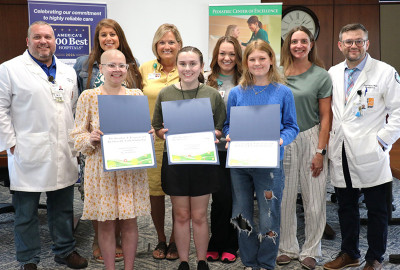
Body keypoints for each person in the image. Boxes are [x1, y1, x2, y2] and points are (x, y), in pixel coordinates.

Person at [0, 21, 88, 270]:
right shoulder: (9, 70)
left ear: (54, 40)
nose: (43, 41)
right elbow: (0, 109)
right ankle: (28, 258)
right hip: (28, 151)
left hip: (63, 150)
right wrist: (11, 143)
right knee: (26, 213)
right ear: (27, 41)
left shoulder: (68, 71)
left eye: (48, 37)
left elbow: (72, 109)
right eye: (37, 37)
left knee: (62, 207)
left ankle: (64, 250)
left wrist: (75, 143)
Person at [323, 23, 400, 270]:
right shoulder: (333, 72)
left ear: (367, 44)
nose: (353, 46)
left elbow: (398, 111)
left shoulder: (385, 72)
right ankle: (350, 253)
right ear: (340, 45)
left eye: (359, 41)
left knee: (378, 209)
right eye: (348, 41)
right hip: (341, 149)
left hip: (370, 149)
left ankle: (374, 257)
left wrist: (382, 140)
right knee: (346, 206)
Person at [70, 49, 151, 270]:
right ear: (102, 69)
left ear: (127, 68)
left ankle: (129, 267)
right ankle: (109, 267)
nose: (117, 70)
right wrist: (91, 137)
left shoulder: (136, 96)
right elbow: (77, 137)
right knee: (105, 223)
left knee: (129, 221)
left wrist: (148, 133)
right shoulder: (89, 97)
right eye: (111, 65)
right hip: (101, 170)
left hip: (130, 170)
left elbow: (144, 129)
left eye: (121, 65)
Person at [223, 40, 299, 270]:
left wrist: (280, 140)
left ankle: (266, 263)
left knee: (269, 215)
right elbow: (228, 125)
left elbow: (291, 126)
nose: (257, 63)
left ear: (271, 60)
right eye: (252, 59)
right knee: (241, 214)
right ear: (246, 62)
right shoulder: (237, 92)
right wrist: (228, 135)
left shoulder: (283, 92)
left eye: (262, 58)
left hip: (269, 164)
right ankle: (249, 261)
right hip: (240, 164)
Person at [152, 46, 226, 270]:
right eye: (182, 64)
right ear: (176, 66)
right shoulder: (166, 93)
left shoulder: (212, 94)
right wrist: (161, 133)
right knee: (182, 215)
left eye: (193, 64)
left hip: (202, 161)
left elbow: (220, 127)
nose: (187, 68)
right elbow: (157, 126)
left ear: (201, 66)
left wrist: (215, 134)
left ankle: (201, 261)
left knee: (200, 215)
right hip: (176, 161)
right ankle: (184, 261)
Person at [276, 26, 332, 270]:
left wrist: (320, 152)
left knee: (315, 198)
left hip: (311, 136)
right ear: (288, 44)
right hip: (284, 138)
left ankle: (311, 249)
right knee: (284, 196)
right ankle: (287, 247)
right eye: (294, 41)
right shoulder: (277, 74)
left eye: (303, 41)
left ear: (311, 44)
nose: (298, 45)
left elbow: (326, 117)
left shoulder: (321, 75)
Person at [139, 23, 183, 261]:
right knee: (155, 193)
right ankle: (161, 238)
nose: (167, 46)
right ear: (156, 45)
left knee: (178, 193)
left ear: (179, 45)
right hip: (153, 140)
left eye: (171, 42)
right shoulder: (145, 68)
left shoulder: (186, 66)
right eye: (162, 42)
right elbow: (134, 98)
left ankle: (176, 241)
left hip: (180, 141)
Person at [204, 36, 242, 263]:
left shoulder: (245, 81)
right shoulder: (206, 80)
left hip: (238, 149)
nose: (226, 58)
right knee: (219, 199)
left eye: (232, 54)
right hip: (213, 150)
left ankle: (232, 243)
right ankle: (215, 242)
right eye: (222, 53)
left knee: (236, 199)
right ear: (216, 55)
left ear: (238, 57)